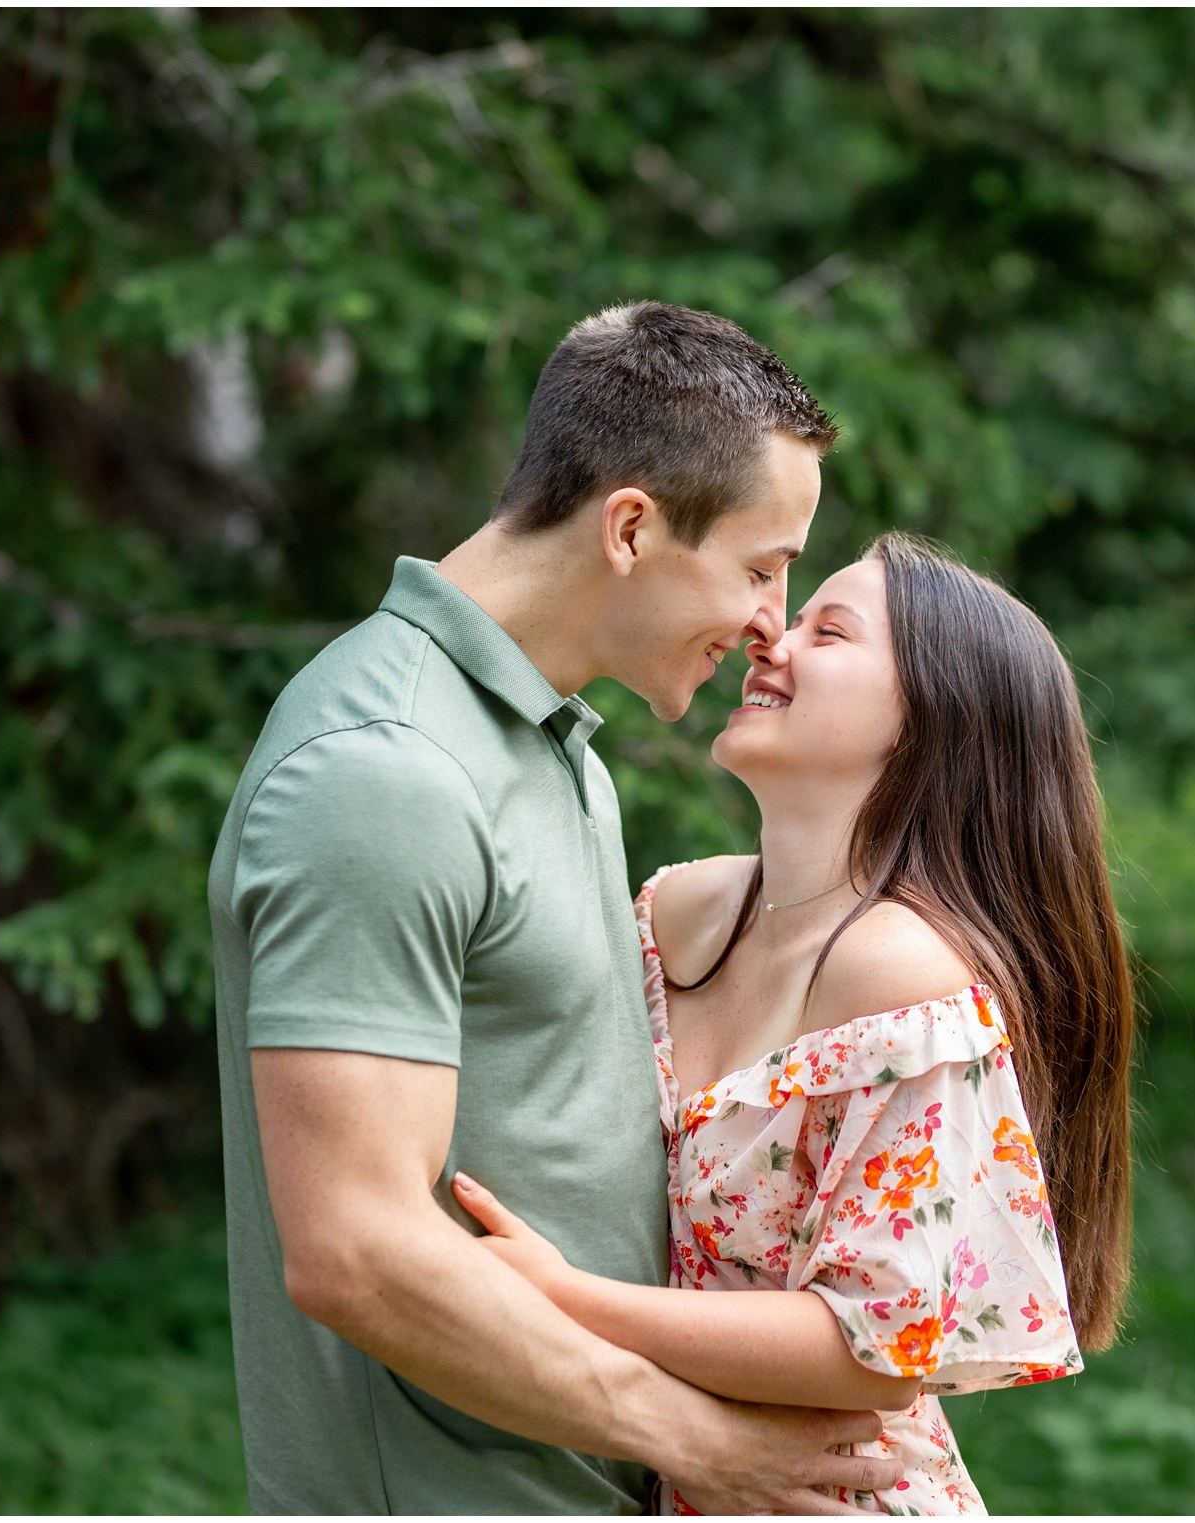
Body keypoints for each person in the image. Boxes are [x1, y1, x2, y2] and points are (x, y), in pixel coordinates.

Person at [207, 302, 910, 1513]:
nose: (766, 624)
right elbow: (356, 1250)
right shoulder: (387, 771)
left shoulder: (556, 750)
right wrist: (692, 1433)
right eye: (757, 567)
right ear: (631, 527)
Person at [448, 532, 1139, 1513]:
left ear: (928, 724)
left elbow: (881, 1345)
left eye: (831, 629)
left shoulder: (902, 971)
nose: (772, 634)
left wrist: (561, 1296)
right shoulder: (680, 911)